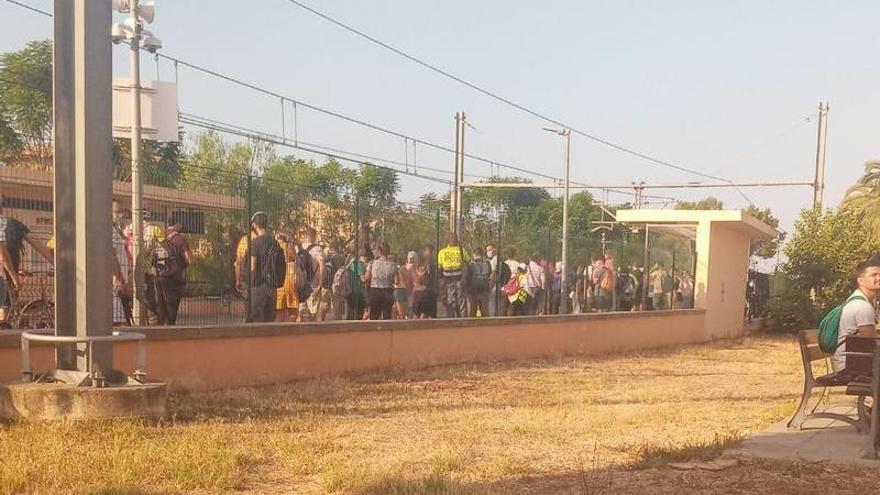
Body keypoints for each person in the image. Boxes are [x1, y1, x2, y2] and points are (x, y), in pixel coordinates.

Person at [831, 258, 880, 371]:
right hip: (850, 367)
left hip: (849, 362)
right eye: (874, 275)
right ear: (860, 281)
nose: (878, 278)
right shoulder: (862, 307)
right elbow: (871, 343)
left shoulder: (855, 300)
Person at [242, 211, 284, 322]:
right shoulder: (275, 242)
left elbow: (252, 265)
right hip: (272, 285)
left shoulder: (254, 243)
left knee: (256, 319)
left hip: (257, 285)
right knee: (270, 319)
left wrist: (248, 282)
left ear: (255, 225)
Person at [153, 216, 192, 325]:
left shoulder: (160, 235)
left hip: (158, 274)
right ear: (178, 224)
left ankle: (160, 328)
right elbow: (189, 260)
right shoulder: (180, 239)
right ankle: (170, 329)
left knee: (160, 303)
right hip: (174, 277)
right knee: (172, 304)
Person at [437, 233, 470, 318]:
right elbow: (469, 262)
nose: (453, 240)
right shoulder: (459, 250)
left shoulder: (443, 252)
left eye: (453, 238)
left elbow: (439, 268)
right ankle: (457, 319)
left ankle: (455, 319)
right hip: (451, 280)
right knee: (455, 301)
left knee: (455, 300)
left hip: (456, 279)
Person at [302, 228, 331, 322]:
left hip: (301, 283)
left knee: (300, 312)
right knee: (313, 312)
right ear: (314, 236)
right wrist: (320, 284)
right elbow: (322, 266)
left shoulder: (299, 248)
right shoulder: (318, 249)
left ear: (306, 236)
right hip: (313, 284)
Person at [363, 242, 397, 320]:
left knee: (374, 315)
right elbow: (396, 281)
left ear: (379, 251)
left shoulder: (372, 263)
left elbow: (367, 277)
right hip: (388, 291)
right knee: (387, 315)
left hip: (375, 291)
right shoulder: (393, 265)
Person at [274, 232, 299, 322]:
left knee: (280, 310)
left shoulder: (275, 248)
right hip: (289, 278)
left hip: (279, 282)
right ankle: (291, 329)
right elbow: (297, 261)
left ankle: (278, 331)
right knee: (293, 310)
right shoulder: (289, 246)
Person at [463, 247, 492, 317]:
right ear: (482, 254)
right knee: (484, 312)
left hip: (472, 292)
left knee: (472, 313)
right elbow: (490, 275)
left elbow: (466, 278)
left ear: (473, 255)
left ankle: (471, 327)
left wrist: (465, 290)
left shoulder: (470, 265)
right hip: (484, 290)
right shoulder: (487, 264)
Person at [412, 245, 437, 319]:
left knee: (420, 315)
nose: (431, 253)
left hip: (424, 293)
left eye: (431, 252)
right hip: (424, 293)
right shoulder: (421, 265)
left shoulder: (431, 265)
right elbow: (423, 280)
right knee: (420, 315)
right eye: (429, 251)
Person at [346, 253, 367, 320]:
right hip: (358, 291)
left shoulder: (349, 265)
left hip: (349, 290)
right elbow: (363, 279)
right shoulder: (359, 265)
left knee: (350, 312)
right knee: (359, 312)